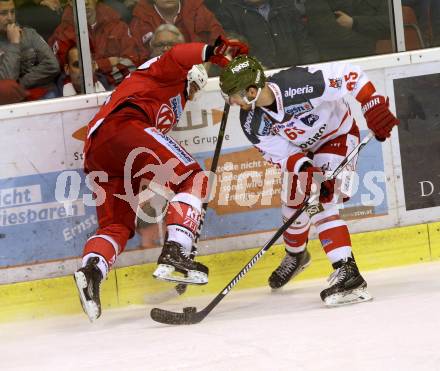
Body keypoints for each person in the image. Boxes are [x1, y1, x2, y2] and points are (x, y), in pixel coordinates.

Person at [74, 36, 248, 321]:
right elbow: (179, 54)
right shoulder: (168, 73)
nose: (191, 95)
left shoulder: (169, 98)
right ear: (189, 76)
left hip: (102, 153)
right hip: (123, 127)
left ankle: (91, 271)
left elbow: (155, 163)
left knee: (117, 224)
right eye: (193, 87)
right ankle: (175, 252)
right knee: (193, 177)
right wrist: (212, 51)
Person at [219, 55, 399, 306]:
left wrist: (372, 103)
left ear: (251, 91)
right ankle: (296, 256)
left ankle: (349, 275)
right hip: (303, 152)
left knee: (321, 203)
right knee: (292, 204)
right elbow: (285, 155)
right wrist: (309, 173)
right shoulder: (251, 121)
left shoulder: (298, 82)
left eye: (233, 95)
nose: (230, 101)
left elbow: (351, 75)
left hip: (337, 137)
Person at [49, 0, 139, 87]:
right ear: (70, 2)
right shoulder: (62, 34)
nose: (85, 2)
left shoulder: (117, 25)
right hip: (81, 95)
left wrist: (102, 78)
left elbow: (133, 63)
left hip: (116, 90)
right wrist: (105, 63)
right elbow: (68, 76)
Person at [216, 0, 319, 69]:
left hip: (295, 78)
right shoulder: (226, 13)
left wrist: (309, 72)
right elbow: (233, 47)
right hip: (256, 83)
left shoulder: (285, 5)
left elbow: (306, 46)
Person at [0, 0, 60, 104]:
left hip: (42, 93)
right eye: (3, 13)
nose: (10, 18)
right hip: (11, 103)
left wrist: (21, 83)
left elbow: (53, 65)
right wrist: (14, 43)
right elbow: (7, 84)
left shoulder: (29, 34)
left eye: (12, 12)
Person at [130, 0, 225, 61]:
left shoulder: (197, 10)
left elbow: (220, 42)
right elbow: (139, 58)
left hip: (202, 72)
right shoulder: (141, 18)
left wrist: (209, 60)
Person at [305, 0, 390, 61]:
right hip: (331, 62)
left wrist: (354, 23)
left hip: (369, 59)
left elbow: (390, 26)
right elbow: (326, 34)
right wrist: (369, 34)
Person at [46, 45, 110, 97]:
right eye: (77, 65)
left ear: (94, 66)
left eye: (86, 64)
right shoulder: (52, 99)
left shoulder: (110, 93)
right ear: (67, 69)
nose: (82, 70)